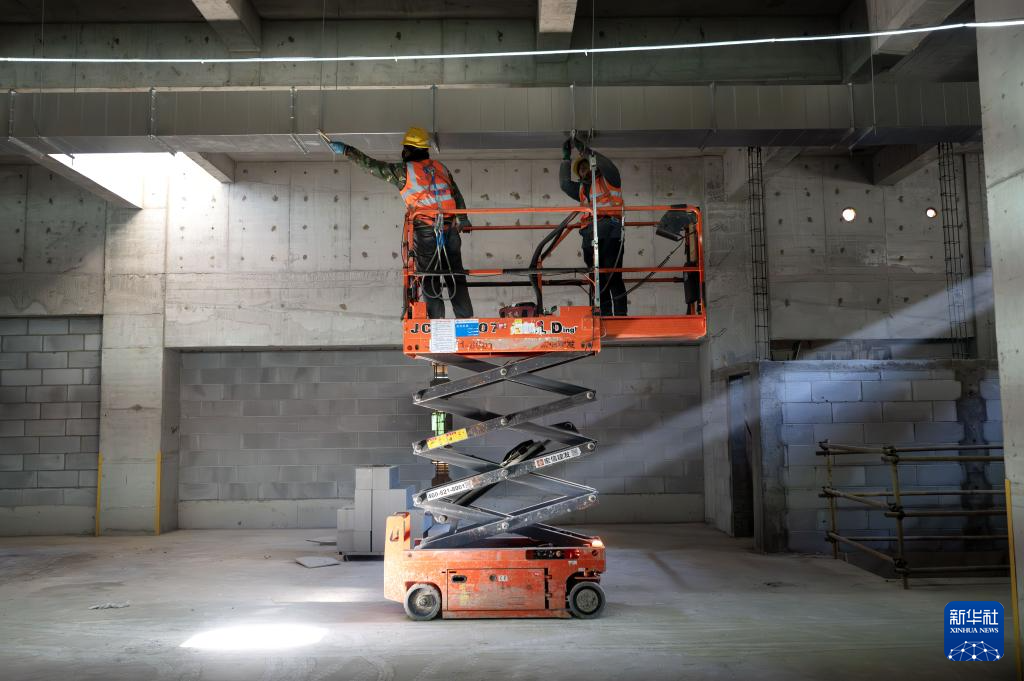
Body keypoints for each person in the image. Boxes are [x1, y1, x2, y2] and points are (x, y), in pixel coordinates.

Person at [322, 126, 474, 319]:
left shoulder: (404, 171)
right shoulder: (440, 167)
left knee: (429, 279)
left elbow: (372, 166)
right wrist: (463, 219)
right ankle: (465, 319)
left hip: (427, 232)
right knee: (456, 277)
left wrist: (346, 150)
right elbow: (456, 194)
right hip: (451, 230)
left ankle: (436, 323)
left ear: (408, 150)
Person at [559, 135, 627, 316]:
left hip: (610, 232)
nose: (583, 170)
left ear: (593, 165)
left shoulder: (610, 179)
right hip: (589, 236)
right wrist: (566, 158)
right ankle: (603, 317)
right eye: (580, 169)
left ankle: (620, 317)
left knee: (612, 276)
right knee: (597, 279)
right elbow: (564, 184)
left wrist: (586, 151)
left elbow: (608, 165)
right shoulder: (582, 189)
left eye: (586, 165)